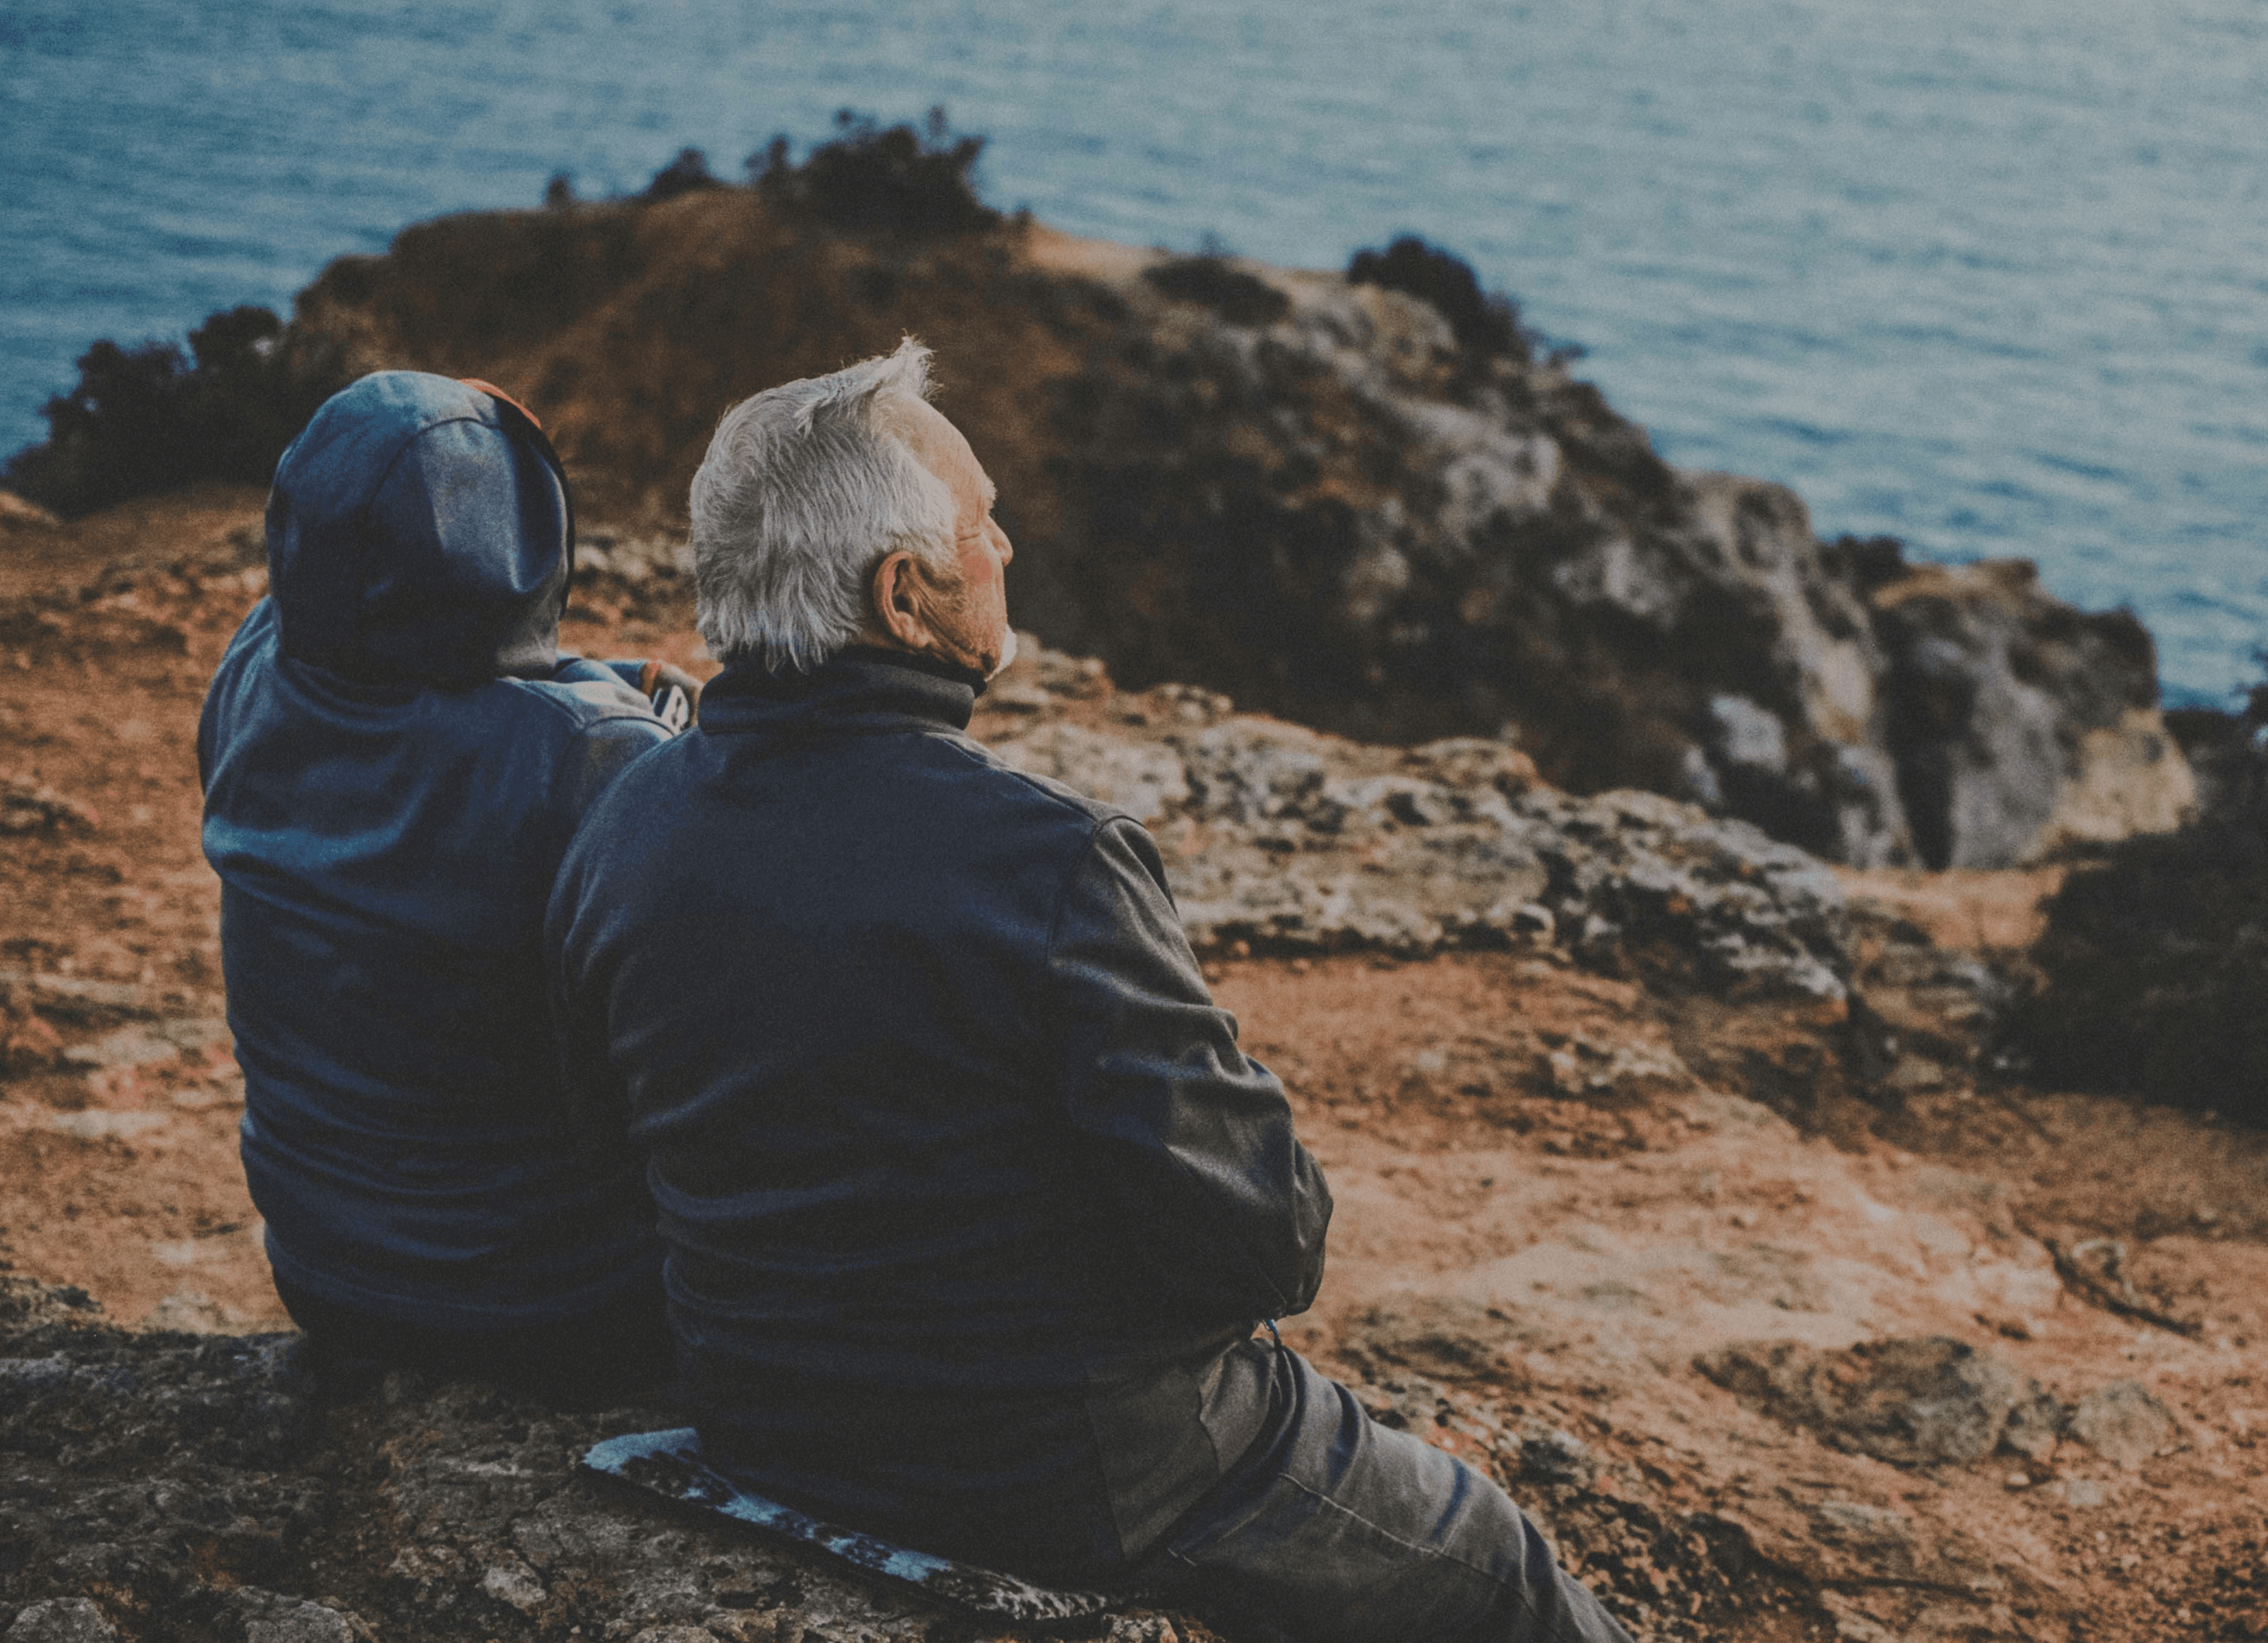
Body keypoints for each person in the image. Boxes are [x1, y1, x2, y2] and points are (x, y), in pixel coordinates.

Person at [546, 341, 1630, 1642]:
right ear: (905, 595)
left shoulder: (625, 823)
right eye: (986, 523)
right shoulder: (1045, 861)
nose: (1008, 546)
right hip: (1076, 1472)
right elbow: (1269, 1242)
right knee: (1500, 1566)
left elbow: (610, 1148)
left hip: (762, 1423)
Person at [199, 370, 686, 1389]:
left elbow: (436, 675)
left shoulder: (254, 669)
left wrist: (597, 683)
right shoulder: (594, 761)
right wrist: (655, 720)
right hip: (554, 1302)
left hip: (323, 1269)